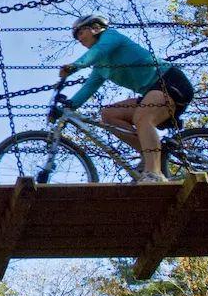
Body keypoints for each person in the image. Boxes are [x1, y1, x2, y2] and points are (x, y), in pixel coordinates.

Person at [57, 14, 194, 183]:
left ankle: (154, 173)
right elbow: (88, 88)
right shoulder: (100, 67)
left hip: (169, 82)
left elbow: (99, 51)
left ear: (94, 27)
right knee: (109, 114)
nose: (79, 38)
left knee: (143, 118)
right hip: (151, 92)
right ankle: (148, 156)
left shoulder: (110, 36)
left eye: (80, 33)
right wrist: (67, 108)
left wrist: (74, 66)